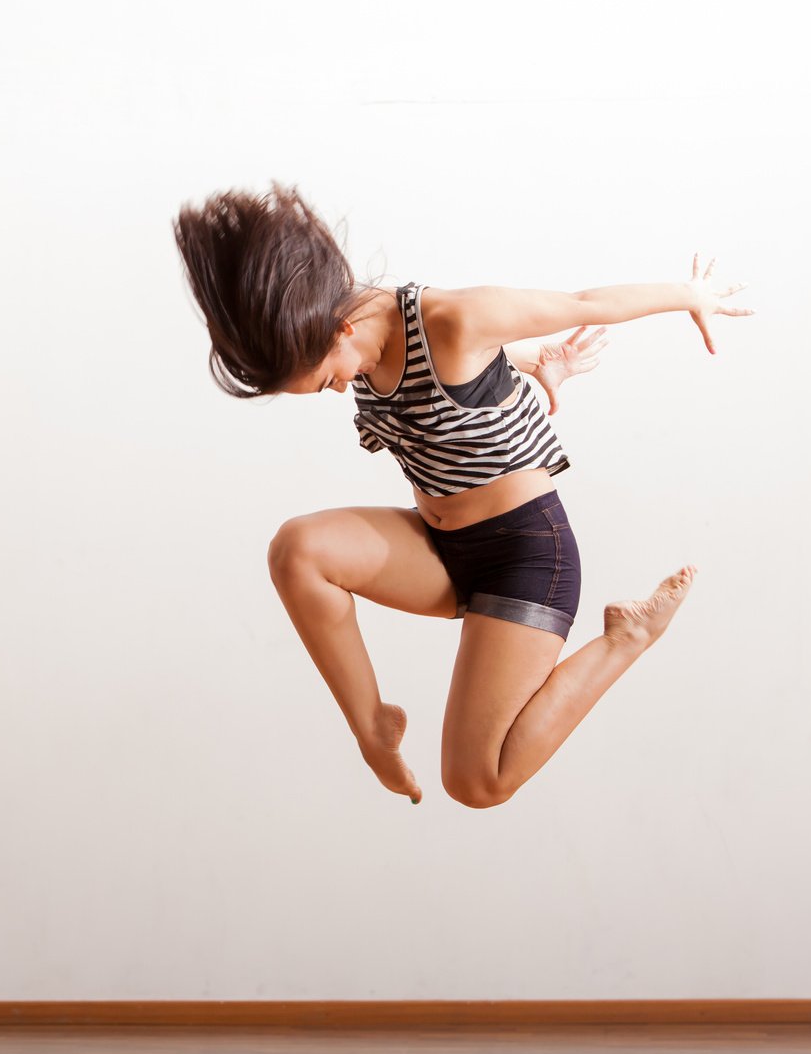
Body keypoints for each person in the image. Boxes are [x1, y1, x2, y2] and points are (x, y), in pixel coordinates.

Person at [171, 182, 754, 808]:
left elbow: (586, 302)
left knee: (477, 782)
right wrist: (539, 362)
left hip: (525, 558)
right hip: (442, 550)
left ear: (340, 327)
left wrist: (689, 296)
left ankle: (628, 637)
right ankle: (374, 731)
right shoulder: (364, 349)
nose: (340, 391)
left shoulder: (455, 318)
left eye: (324, 381)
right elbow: (474, 375)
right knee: (298, 550)